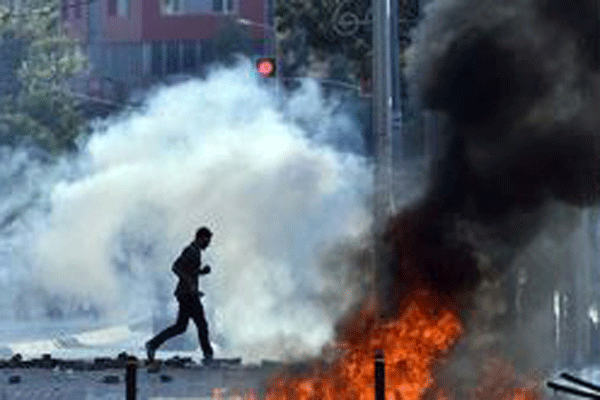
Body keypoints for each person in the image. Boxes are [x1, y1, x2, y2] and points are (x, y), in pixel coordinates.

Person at [145, 227, 215, 363]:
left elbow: (189, 271)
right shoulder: (191, 251)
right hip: (188, 295)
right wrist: (189, 283)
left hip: (188, 294)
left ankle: (152, 344)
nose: (209, 243)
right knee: (201, 325)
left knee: (181, 327)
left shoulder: (196, 251)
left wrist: (201, 272)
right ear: (201, 238)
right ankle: (208, 355)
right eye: (207, 240)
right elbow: (176, 267)